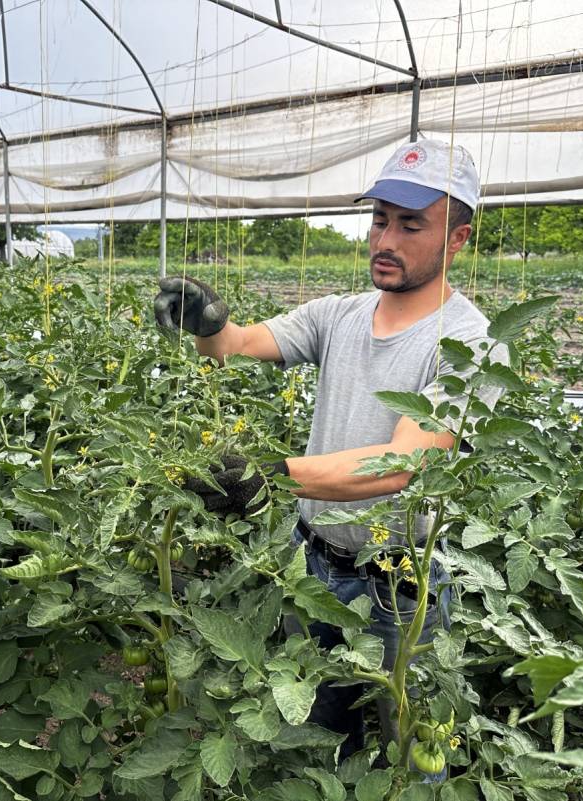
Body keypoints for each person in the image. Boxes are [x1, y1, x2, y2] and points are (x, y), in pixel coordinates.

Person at [153, 139, 508, 763]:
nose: (384, 240)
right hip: (310, 569)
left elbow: (406, 463)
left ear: (457, 240)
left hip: (400, 590)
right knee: (315, 739)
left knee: (408, 755)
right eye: (378, 220)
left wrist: (272, 476)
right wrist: (207, 325)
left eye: (410, 224)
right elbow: (240, 342)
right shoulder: (340, 314)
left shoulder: (472, 344)